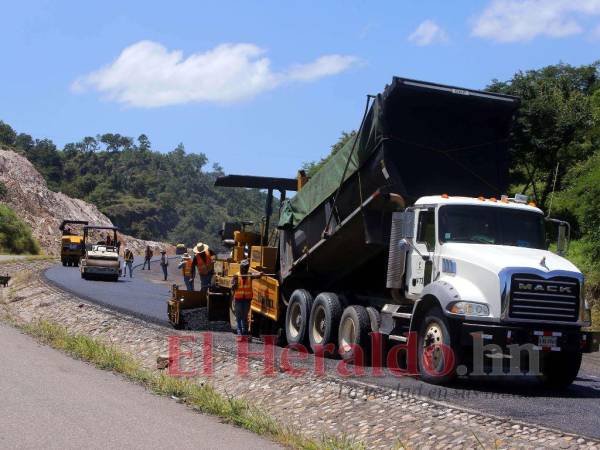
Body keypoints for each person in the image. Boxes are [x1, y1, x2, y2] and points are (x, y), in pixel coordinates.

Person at [231, 259, 254, 338]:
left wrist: (260, 274)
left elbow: (256, 276)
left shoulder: (249, 275)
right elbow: (232, 287)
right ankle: (239, 332)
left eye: (246, 267)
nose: (245, 269)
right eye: (243, 267)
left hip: (247, 300)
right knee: (239, 316)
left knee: (245, 316)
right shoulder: (236, 276)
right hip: (238, 300)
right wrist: (234, 284)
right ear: (241, 267)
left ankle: (244, 332)